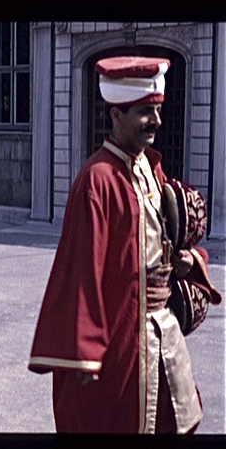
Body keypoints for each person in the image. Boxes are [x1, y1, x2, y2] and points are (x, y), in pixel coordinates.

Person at [28, 56, 219, 433]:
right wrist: (85, 354)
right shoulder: (97, 179)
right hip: (119, 345)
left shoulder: (151, 167)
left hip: (162, 337)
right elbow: (82, 271)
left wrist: (186, 260)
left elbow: (164, 241)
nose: (157, 121)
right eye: (146, 111)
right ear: (117, 115)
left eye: (158, 110)